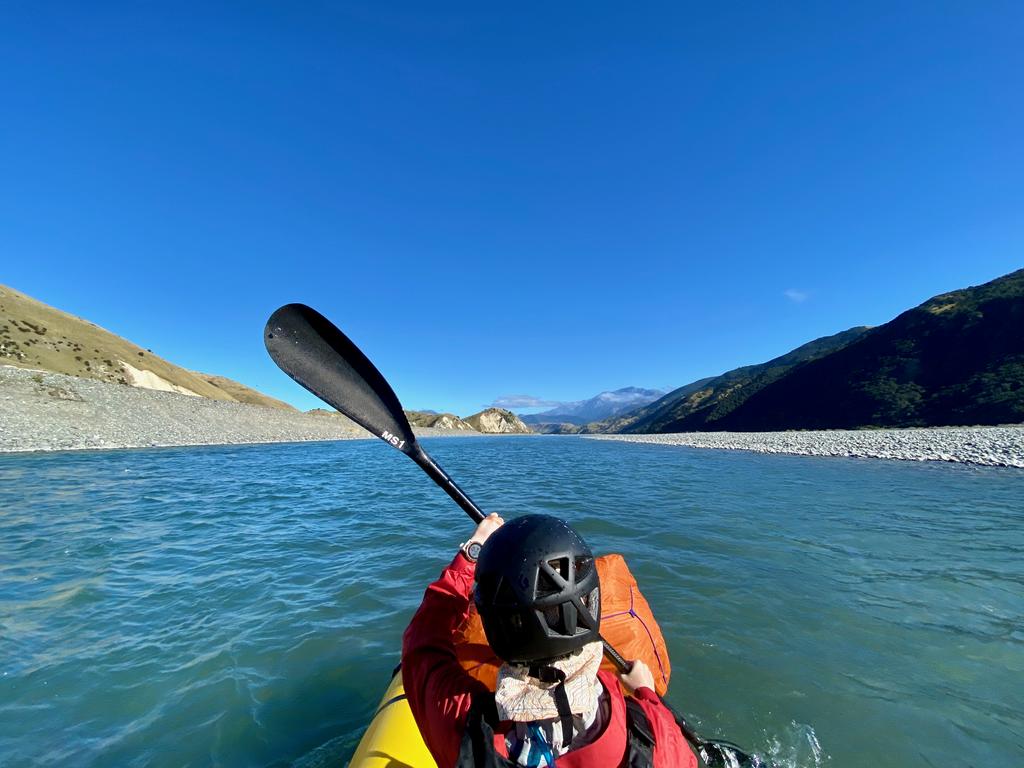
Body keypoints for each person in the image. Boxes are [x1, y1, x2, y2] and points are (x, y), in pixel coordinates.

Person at [402, 512, 697, 767]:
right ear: (591, 602)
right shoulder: (653, 738)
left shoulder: (462, 726)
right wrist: (645, 693)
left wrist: (472, 553)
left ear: (494, 626)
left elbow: (422, 638)